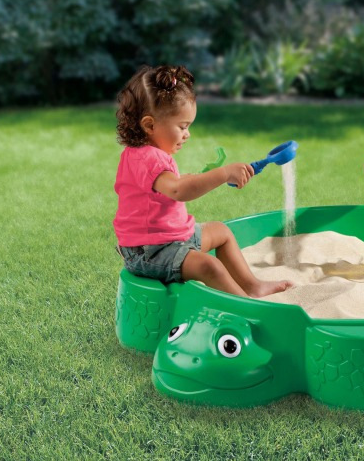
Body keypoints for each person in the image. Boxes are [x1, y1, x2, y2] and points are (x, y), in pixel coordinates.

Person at [113, 64, 293, 298]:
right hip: (151, 252)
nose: (187, 134)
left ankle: (252, 286)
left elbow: (169, 187)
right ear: (149, 125)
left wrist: (195, 178)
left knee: (221, 232)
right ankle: (245, 305)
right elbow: (178, 190)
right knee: (210, 266)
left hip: (171, 239)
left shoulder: (142, 154)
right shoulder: (149, 158)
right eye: (182, 126)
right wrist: (223, 174)